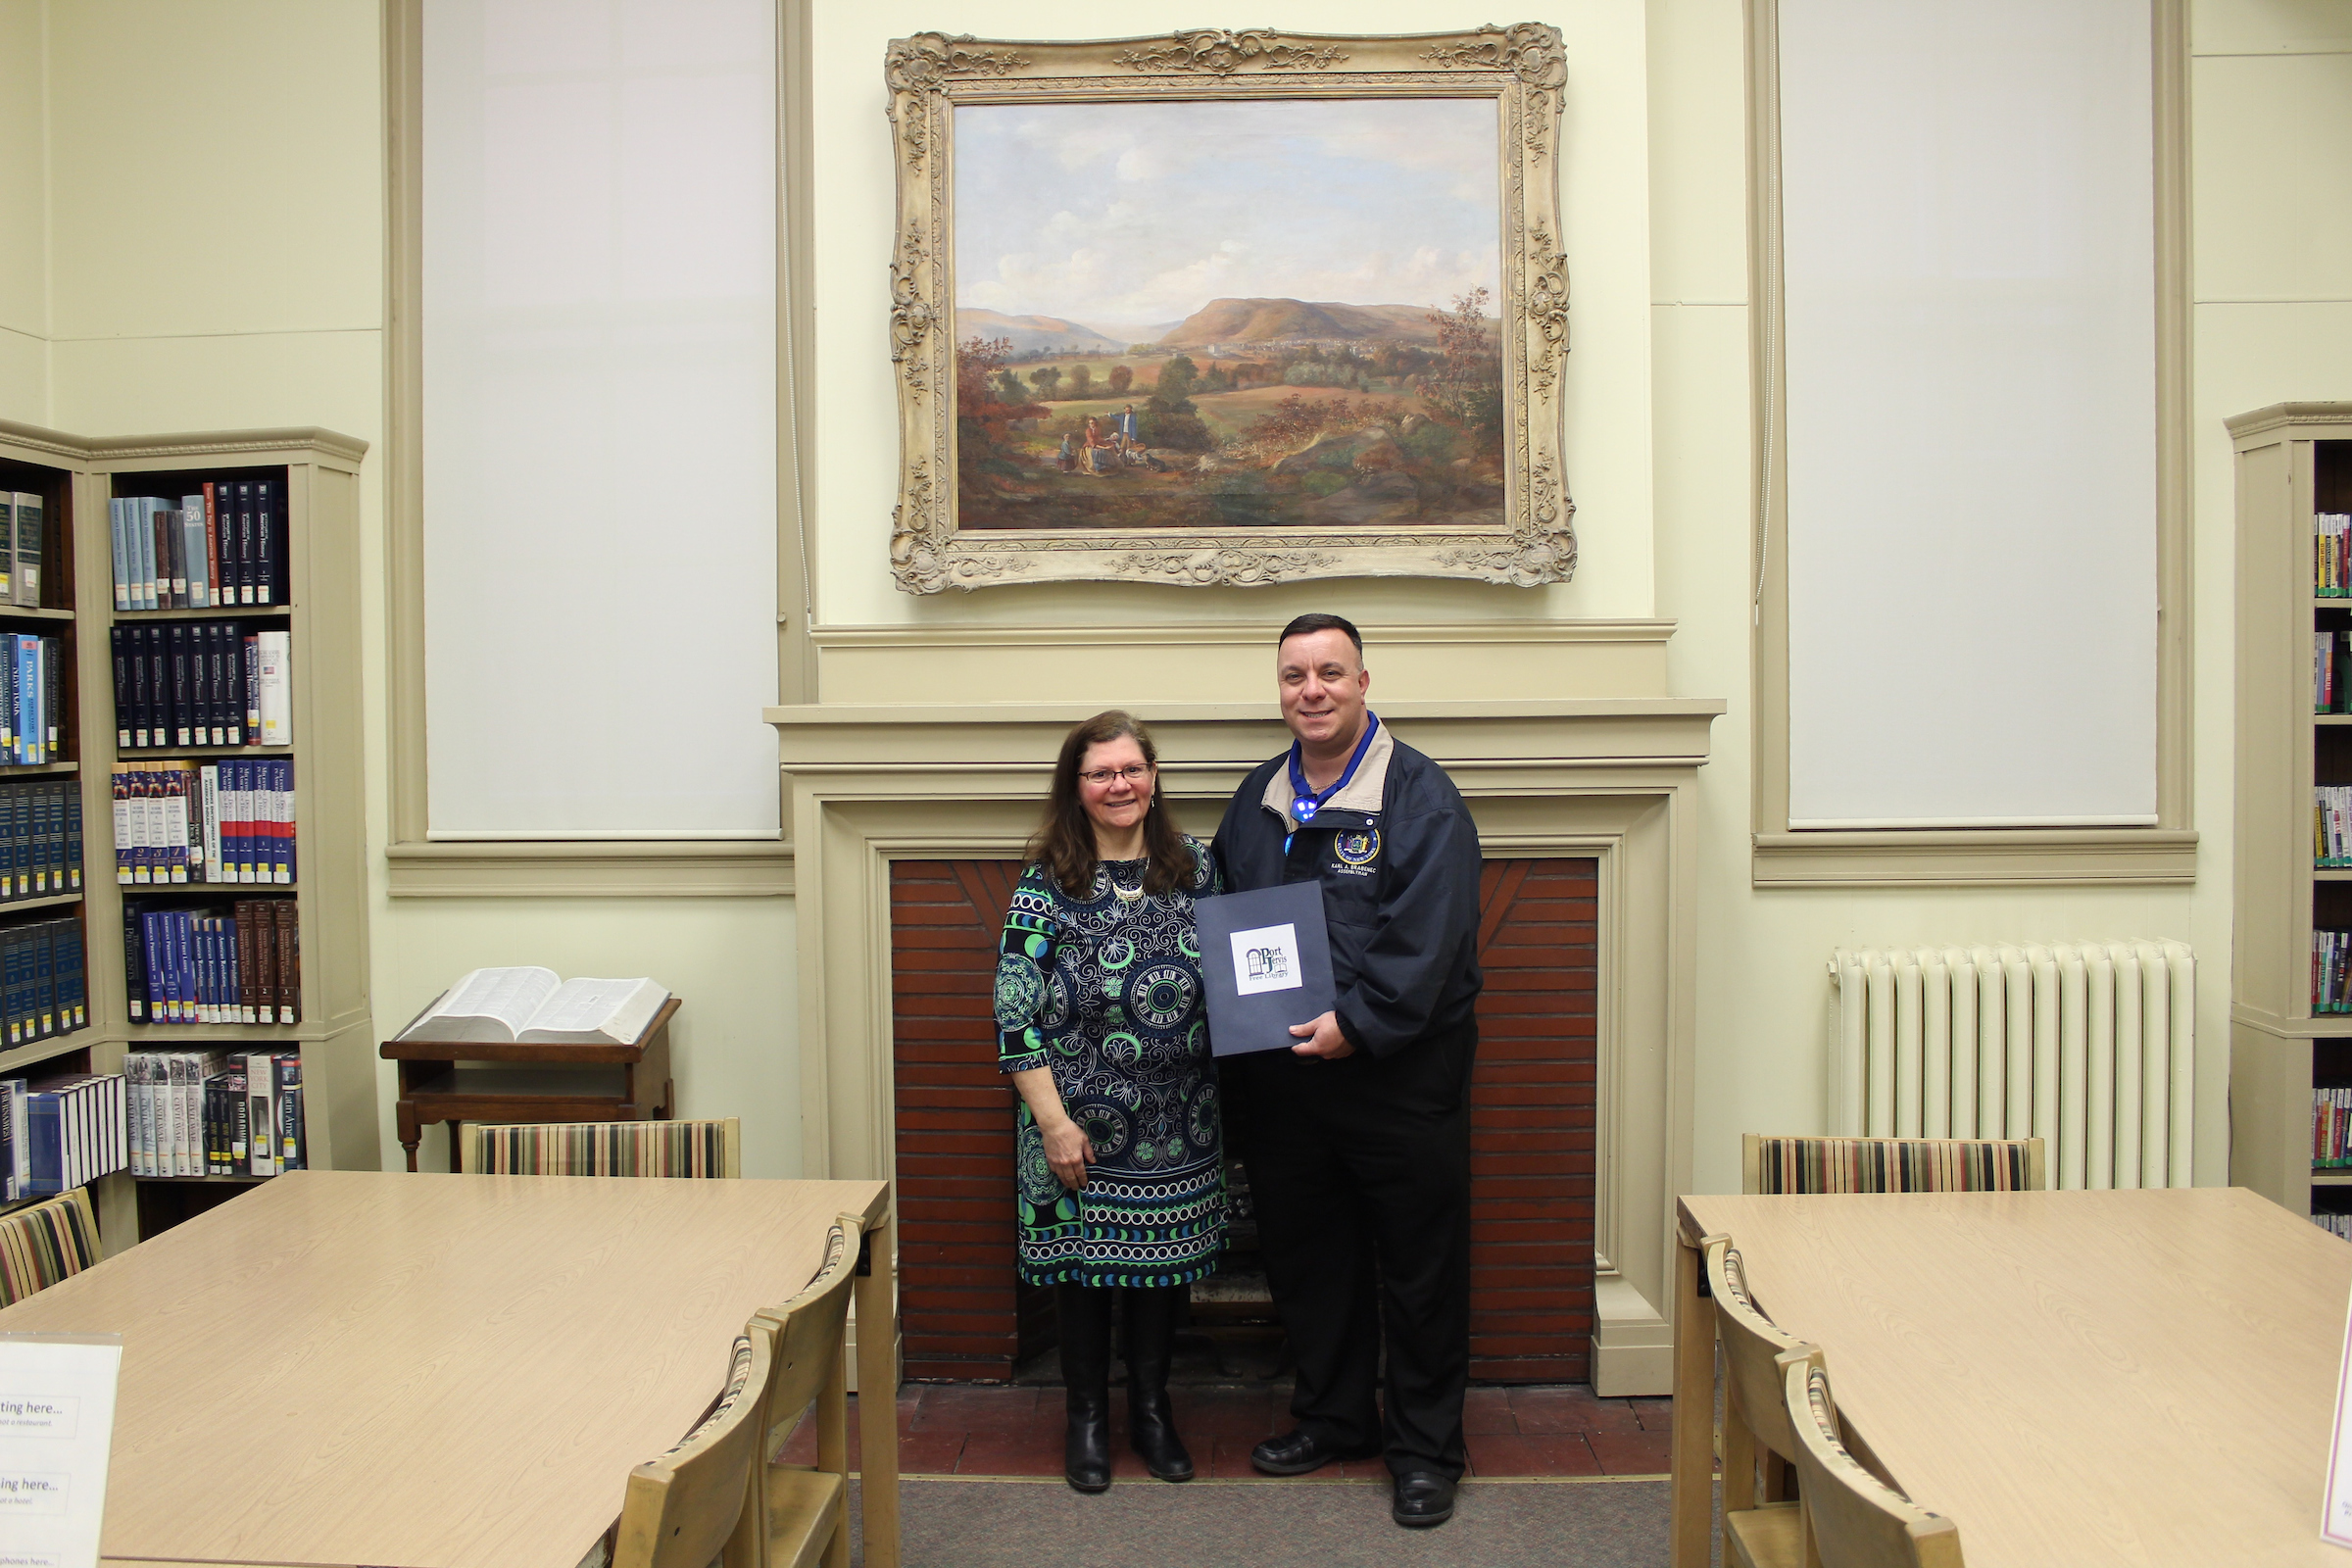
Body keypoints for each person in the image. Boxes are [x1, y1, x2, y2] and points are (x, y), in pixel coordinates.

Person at [1211, 612, 1483, 1529]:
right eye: (1295, 676)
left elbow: (1432, 941)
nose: (1312, 690)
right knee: (1311, 1261)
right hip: (1289, 1082)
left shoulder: (1421, 797)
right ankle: (1335, 1419)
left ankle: (1425, 1453)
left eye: (1330, 672)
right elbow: (1230, 914)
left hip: (1399, 1079)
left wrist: (1357, 1025)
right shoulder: (1258, 797)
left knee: (1420, 1272)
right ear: (1280, 690)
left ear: (1364, 683)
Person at [994, 710, 1226, 1494]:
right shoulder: (1046, 883)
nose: (1119, 785)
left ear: (1153, 776)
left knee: (1161, 1276)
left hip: (1178, 1120)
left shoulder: (1199, 867)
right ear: (1077, 788)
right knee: (1084, 1278)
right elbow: (1014, 1015)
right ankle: (1087, 1419)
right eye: (1100, 773)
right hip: (1074, 1126)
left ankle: (1153, 1412)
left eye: (1131, 769)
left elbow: (1239, 972)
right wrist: (1053, 1124)